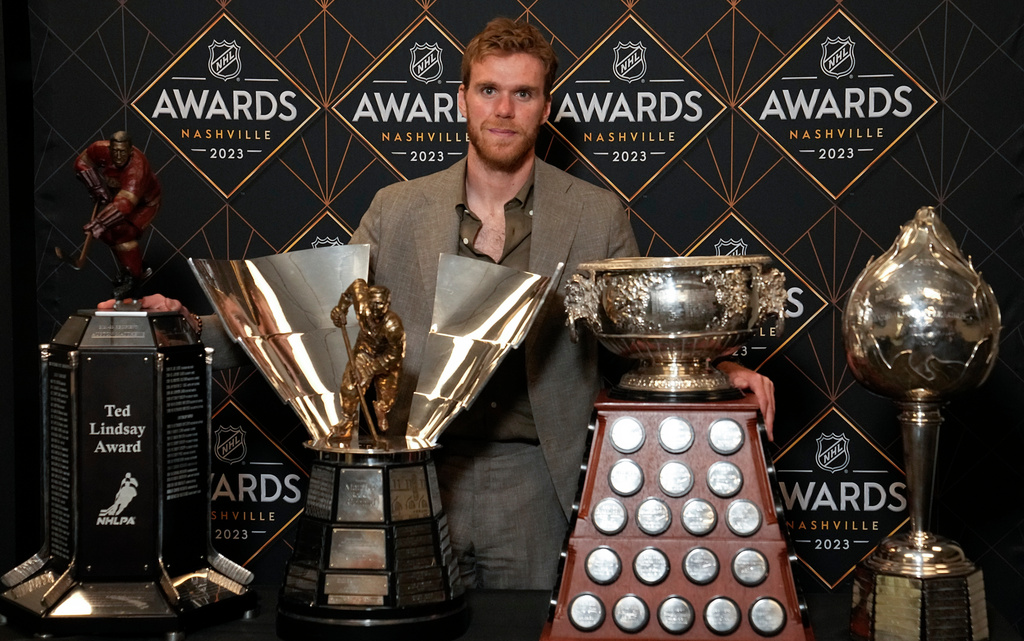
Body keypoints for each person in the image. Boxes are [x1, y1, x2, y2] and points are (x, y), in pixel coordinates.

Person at [107, 18, 774, 590]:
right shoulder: (397, 210)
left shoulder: (595, 215)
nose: (504, 109)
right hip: (416, 471)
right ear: (462, 99)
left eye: (522, 93)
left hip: (539, 480)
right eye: (489, 90)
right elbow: (319, 318)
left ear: (546, 106)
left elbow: (630, 333)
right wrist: (186, 329)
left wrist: (714, 376)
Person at [74, 130, 161, 295]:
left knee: (122, 233)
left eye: (122, 152)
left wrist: (99, 223)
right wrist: (96, 187)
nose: (118, 156)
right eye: (114, 151)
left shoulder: (138, 167)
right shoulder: (100, 149)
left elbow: (125, 205)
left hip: (144, 204)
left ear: (130, 151)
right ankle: (135, 266)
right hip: (120, 199)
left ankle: (134, 276)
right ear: (109, 148)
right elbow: (80, 163)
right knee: (108, 235)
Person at [330, 278, 405, 440]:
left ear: (387, 304)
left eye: (380, 304)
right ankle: (348, 420)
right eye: (373, 303)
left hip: (387, 359)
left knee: (389, 396)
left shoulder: (393, 326)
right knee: (350, 387)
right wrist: (340, 310)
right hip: (364, 352)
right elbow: (355, 287)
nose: (376, 308)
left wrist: (370, 369)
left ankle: (382, 410)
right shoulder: (363, 307)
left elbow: (394, 355)